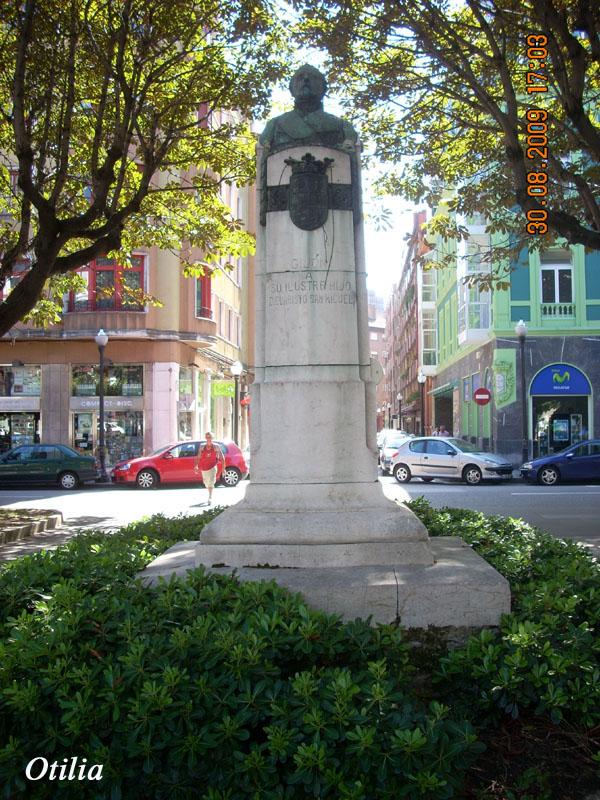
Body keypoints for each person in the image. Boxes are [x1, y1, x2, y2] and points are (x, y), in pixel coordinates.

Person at [194, 432, 225, 506]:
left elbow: (222, 458)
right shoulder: (202, 446)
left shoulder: (216, 447)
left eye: (210, 437)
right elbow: (198, 456)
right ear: (205, 438)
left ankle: (210, 497)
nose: (208, 439)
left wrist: (223, 469)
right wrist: (196, 466)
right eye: (207, 437)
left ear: (212, 438)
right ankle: (209, 492)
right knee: (206, 482)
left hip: (212, 466)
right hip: (204, 467)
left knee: (211, 481)